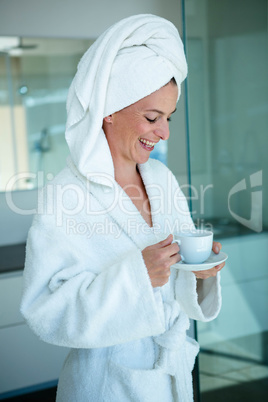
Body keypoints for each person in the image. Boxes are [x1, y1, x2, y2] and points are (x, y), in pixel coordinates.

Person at [21, 14, 225, 402]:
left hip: (171, 377)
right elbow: (45, 310)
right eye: (152, 117)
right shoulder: (65, 195)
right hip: (106, 385)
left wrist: (200, 273)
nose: (163, 132)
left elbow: (175, 281)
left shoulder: (161, 178)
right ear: (109, 109)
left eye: (167, 118)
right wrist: (137, 276)